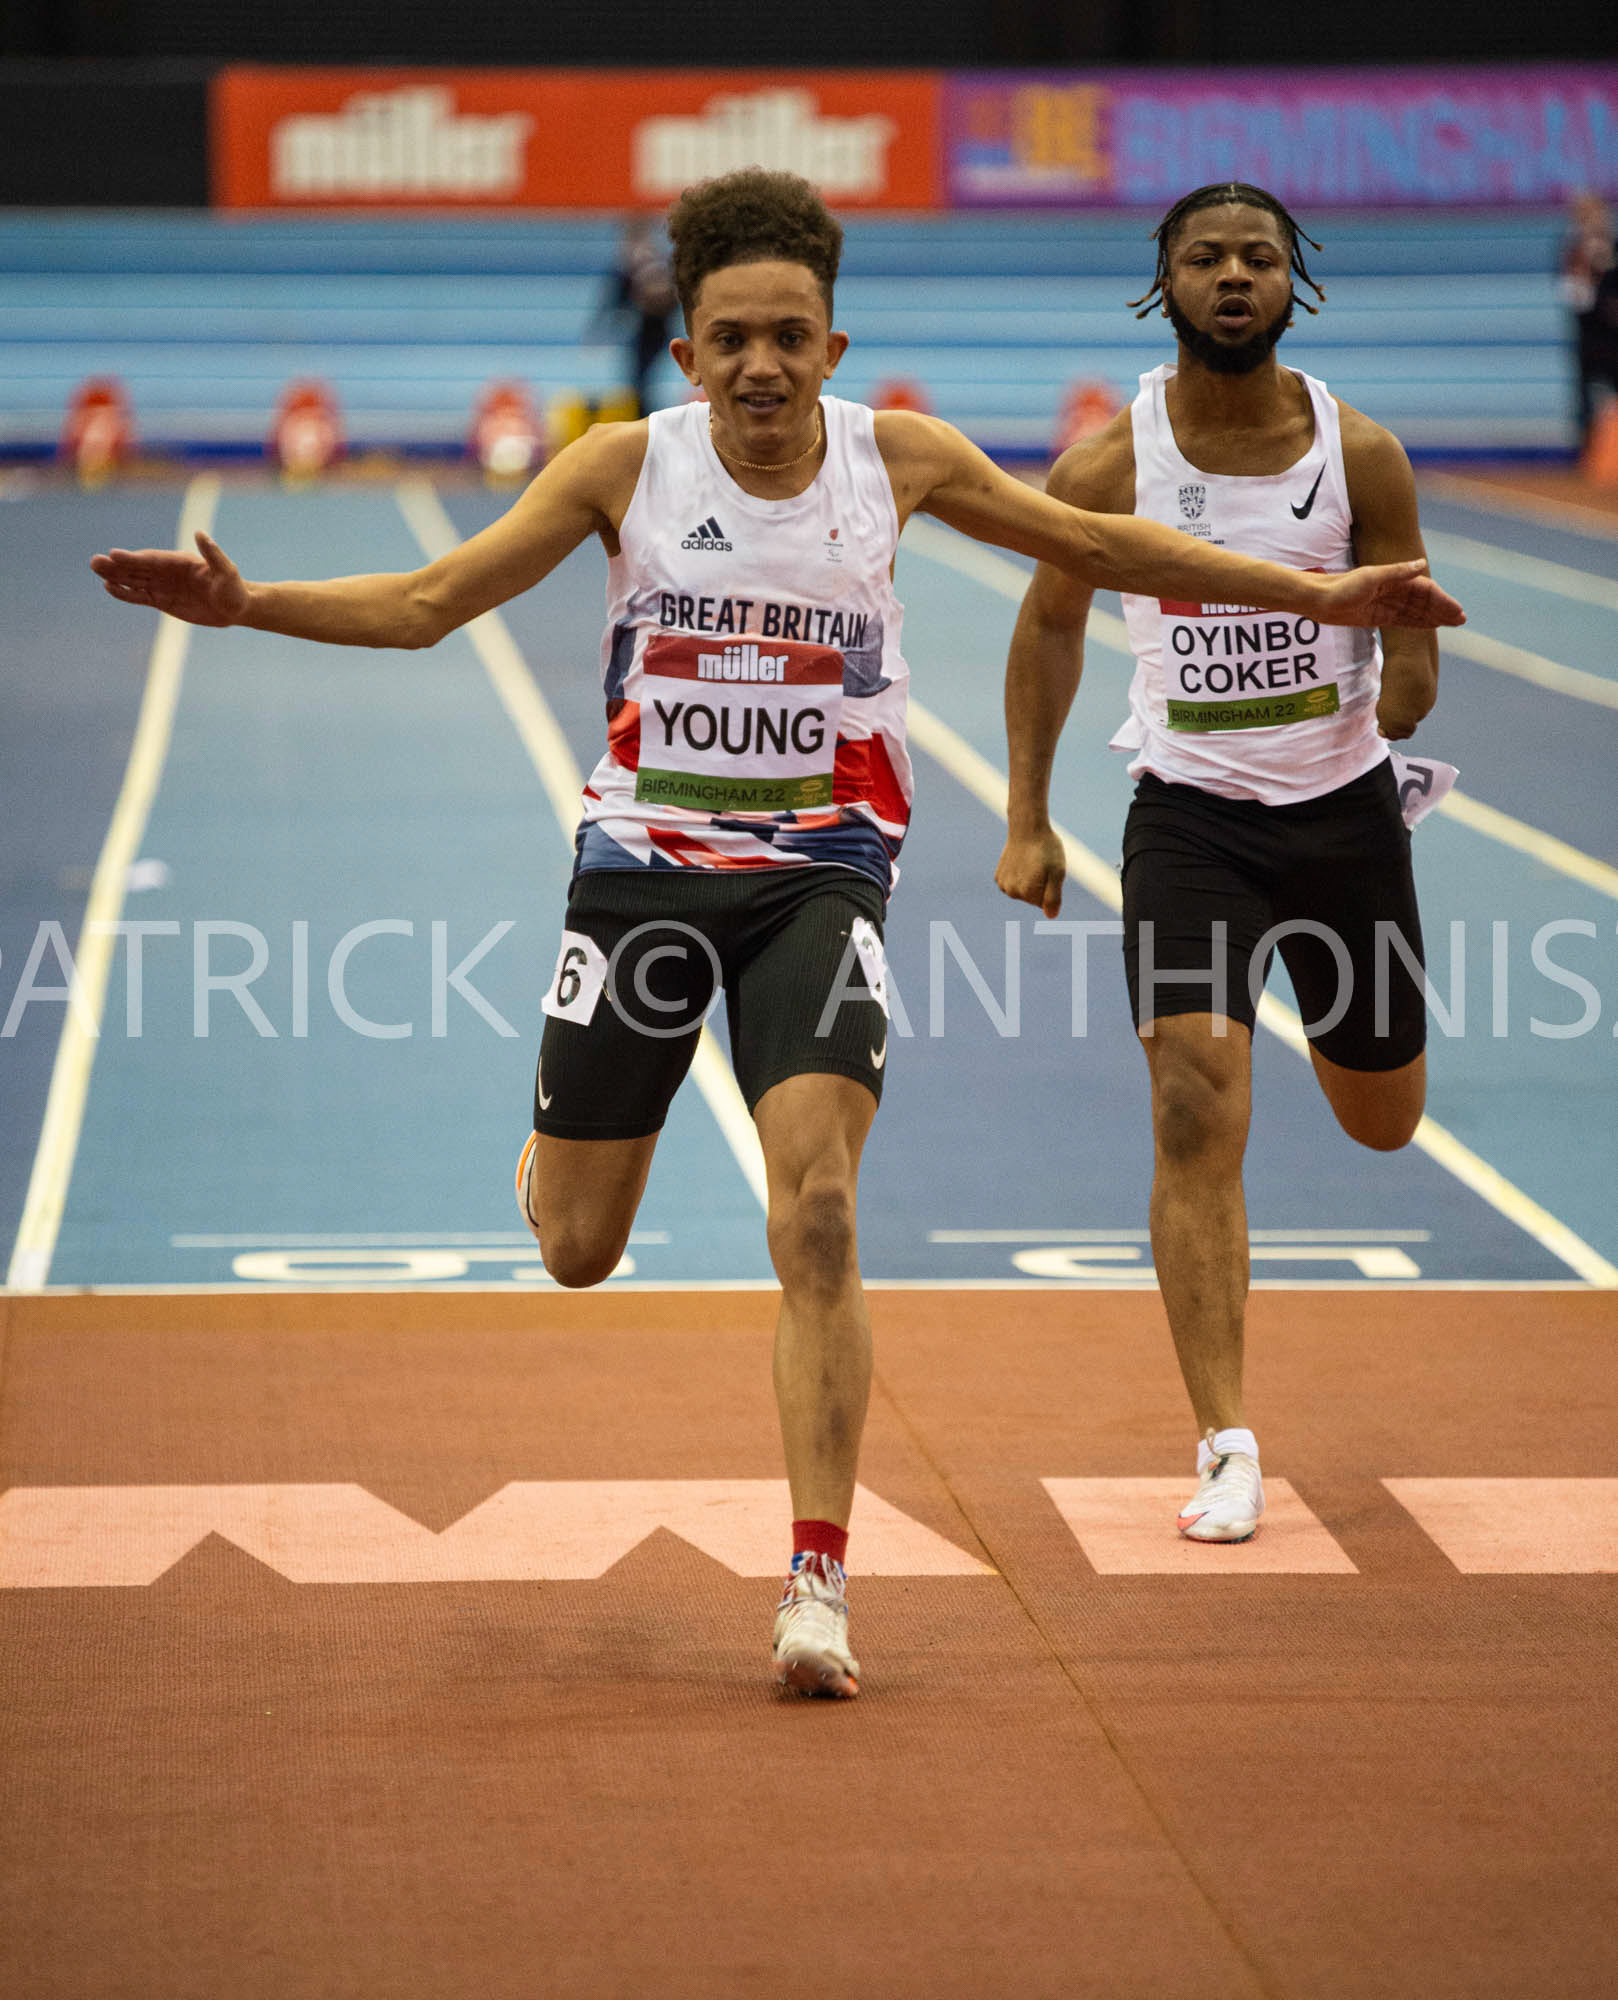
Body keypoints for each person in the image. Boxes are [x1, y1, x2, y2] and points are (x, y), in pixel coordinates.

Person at [92, 170, 1462, 1690]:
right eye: (730, 336)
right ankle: (557, 1156)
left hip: (823, 873)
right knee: (575, 1253)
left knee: (815, 1213)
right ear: (685, 353)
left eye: (788, 337)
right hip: (642, 873)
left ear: (831, 345)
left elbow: (1115, 555)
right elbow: (427, 601)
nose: (759, 363)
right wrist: (247, 602)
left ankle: (815, 1581)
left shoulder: (902, 459)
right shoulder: (623, 469)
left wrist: (1332, 596)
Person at [995, 181, 1450, 1545]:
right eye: (1206, 258)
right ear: (1164, 285)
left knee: (1382, 1119)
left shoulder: (1357, 455)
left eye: (1258, 256)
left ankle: (1343, 1031)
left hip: (1343, 818)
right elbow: (1048, 627)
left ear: (1293, 282)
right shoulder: (1107, 465)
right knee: (1196, 1098)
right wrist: (1026, 812)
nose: (1233, 275)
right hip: (1188, 820)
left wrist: (1408, 675)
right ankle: (1227, 1443)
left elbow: (1414, 653)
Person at [597, 216, 679, 419]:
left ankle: (645, 416)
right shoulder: (657, 258)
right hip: (655, 325)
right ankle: (645, 414)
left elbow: (614, 298)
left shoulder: (632, 261)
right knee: (641, 378)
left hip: (650, 326)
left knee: (640, 378)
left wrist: (602, 325)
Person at [1557, 193, 1618, 454]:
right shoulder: (1574, 251)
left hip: (1614, 337)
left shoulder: (1614, 246)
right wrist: (1590, 269)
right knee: (1585, 398)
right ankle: (1585, 450)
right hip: (1590, 338)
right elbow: (1573, 296)